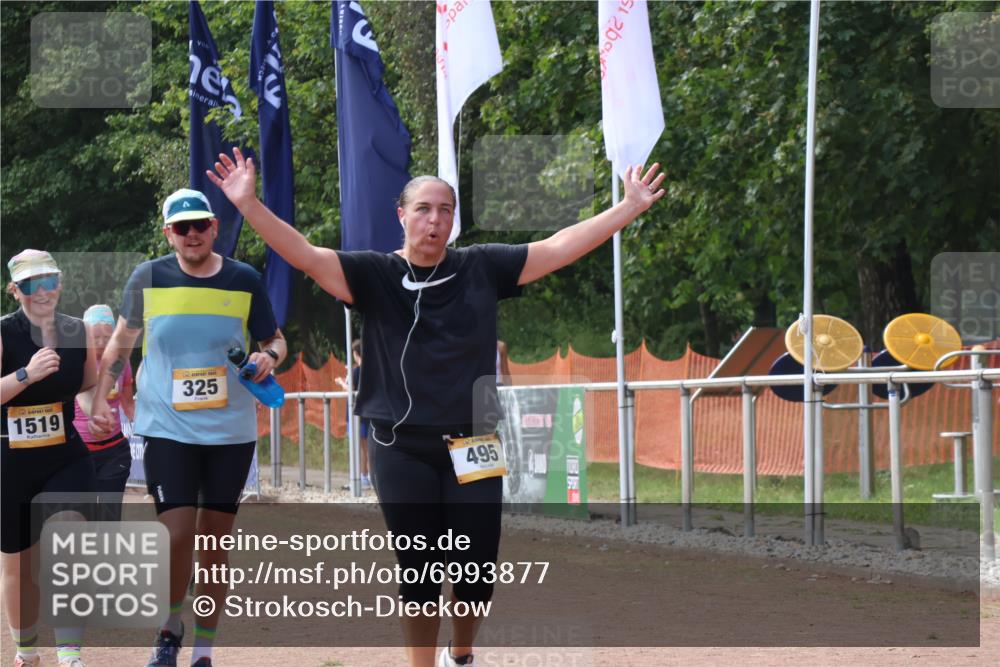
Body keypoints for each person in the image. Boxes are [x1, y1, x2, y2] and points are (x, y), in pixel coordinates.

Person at [208, 148, 664, 667]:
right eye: (424, 208)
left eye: (445, 210)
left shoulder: (481, 267)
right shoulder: (373, 274)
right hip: (400, 446)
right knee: (420, 567)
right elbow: (305, 254)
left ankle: (461, 654)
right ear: (401, 216)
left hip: (474, 443)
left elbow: (557, 247)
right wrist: (248, 204)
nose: (435, 219)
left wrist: (627, 208)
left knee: (476, 570)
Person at [89, 189, 287, 667]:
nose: (192, 233)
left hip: (230, 432)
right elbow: (120, 346)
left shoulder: (244, 279)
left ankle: (204, 649)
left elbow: (275, 340)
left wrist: (268, 357)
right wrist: (102, 395)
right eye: (182, 227)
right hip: (167, 427)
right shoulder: (148, 277)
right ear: (168, 234)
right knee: (176, 534)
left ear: (215, 227)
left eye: (200, 224)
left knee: (214, 542)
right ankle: (168, 628)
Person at [1, 249, 99, 667]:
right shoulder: (5, 333)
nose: (42, 291)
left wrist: (99, 408)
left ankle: (70, 654)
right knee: (18, 567)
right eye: (31, 284)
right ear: (15, 290)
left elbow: (90, 384)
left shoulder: (80, 330)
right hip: (10, 462)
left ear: (60, 283)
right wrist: (27, 374)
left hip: (65, 456)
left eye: (49, 281)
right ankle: (27, 651)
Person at [73, 304, 135, 521]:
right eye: (95, 337)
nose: (100, 342)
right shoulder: (74, 361)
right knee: (83, 517)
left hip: (114, 452)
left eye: (107, 337)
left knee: (109, 518)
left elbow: (128, 403)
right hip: (79, 454)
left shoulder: (121, 362)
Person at [336, 339, 370, 489]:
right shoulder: (371, 369)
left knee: (359, 448)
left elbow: (351, 389)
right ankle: (367, 476)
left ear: (356, 354)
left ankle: (359, 477)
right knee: (367, 448)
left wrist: (342, 383)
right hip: (369, 413)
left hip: (357, 413)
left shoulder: (357, 370)